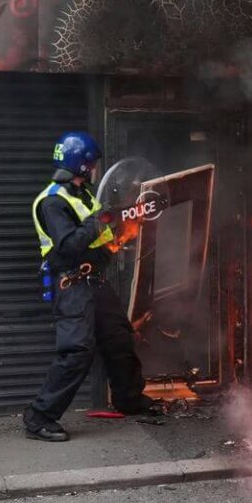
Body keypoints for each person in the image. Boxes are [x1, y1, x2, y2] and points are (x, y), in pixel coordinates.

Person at [24, 131, 158, 443]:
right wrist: (99, 222)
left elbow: (101, 235)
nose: (96, 169)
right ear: (82, 165)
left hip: (95, 280)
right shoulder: (53, 201)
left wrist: (124, 225)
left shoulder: (83, 196)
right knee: (77, 351)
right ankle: (39, 417)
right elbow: (69, 245)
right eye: (93, 164)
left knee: (119, 338)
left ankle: (128, 399)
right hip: (72, 284)